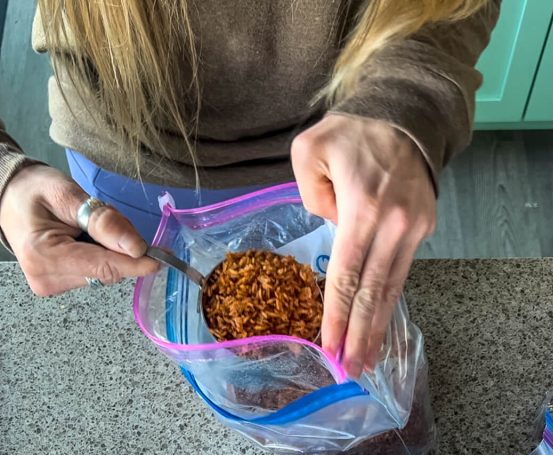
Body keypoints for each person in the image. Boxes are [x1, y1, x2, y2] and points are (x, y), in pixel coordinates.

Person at [0, 0, 499, 378]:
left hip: (332, 161)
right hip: (124, 171)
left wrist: (404, 96)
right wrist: (6, 175)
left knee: (331, 344)